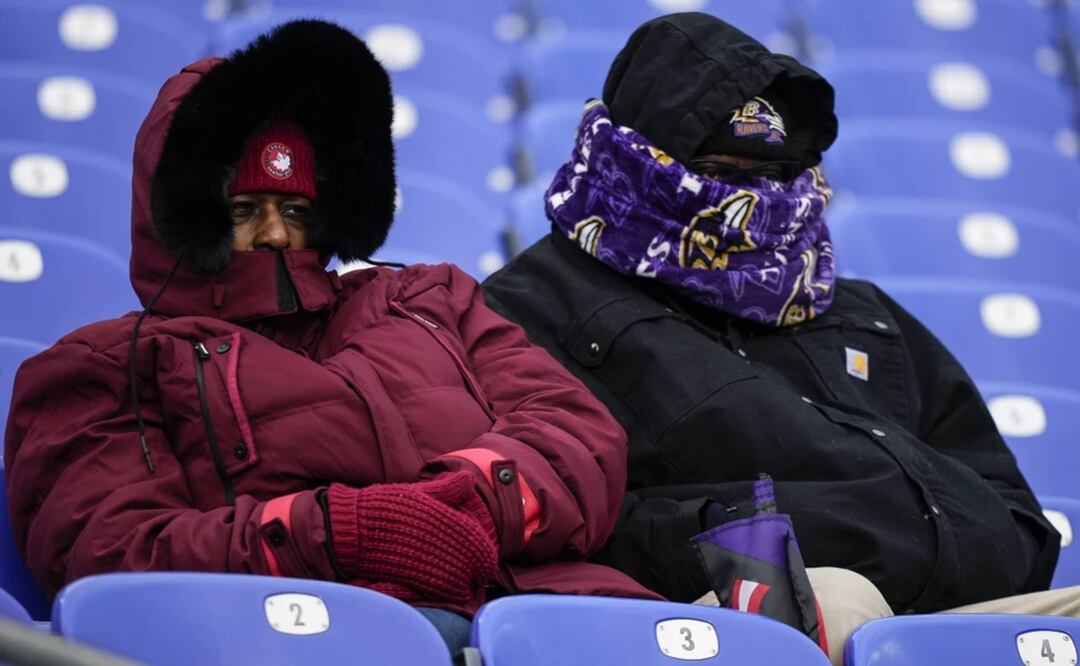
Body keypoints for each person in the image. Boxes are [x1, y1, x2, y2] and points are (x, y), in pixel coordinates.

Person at [2, 19, 657, 654]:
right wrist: (338, 532)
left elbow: (579, 431)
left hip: (551, 609)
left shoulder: (428, 298)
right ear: (184, 217)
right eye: (242, 211)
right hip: (324, 633)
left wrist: (474, 500)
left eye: (295, 210)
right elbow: (114, 553)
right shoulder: (103, 365)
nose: (275, 235)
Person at [482, 12, 1076, 664]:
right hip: (730, 615)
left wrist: (990, 541)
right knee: (832, 601)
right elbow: (557, 518)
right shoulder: (530, 309)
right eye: (719, 170)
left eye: (774, 173)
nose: (757, 202)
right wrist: (751, 540)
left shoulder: (857, 309)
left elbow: (1006, 495)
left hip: (954, 605)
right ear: (638, 163)